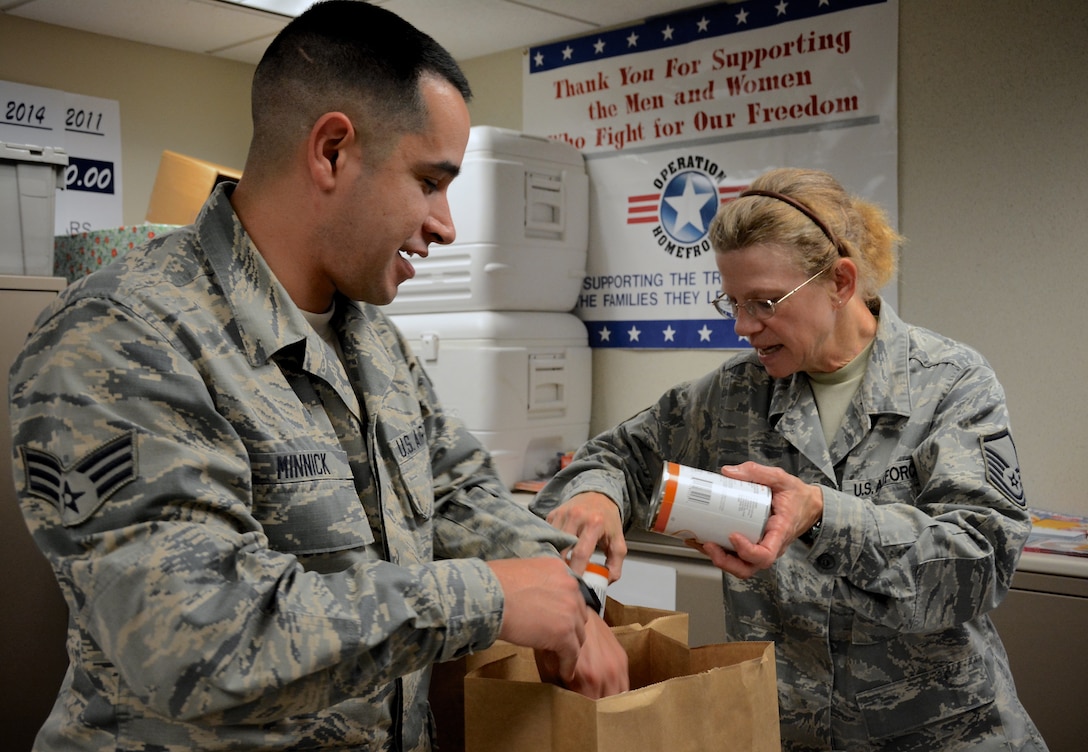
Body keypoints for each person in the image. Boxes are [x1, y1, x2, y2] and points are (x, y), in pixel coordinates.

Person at [8, 2, 628, 750]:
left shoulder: (375, 346)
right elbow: (193, 639)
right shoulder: (124, 335)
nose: (447, 224)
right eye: (430, 181)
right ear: (333, 151)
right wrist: (488, 598)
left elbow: (459, 496)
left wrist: (567, 585)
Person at [532, 167, 1048, 751]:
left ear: (841, 281)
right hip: (788, 733)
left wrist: (821, 514)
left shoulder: (951, 384)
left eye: (764, 302)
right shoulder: (731, 396)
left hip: (941, 733)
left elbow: (979, 564)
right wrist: (597, 493)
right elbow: (618, 454)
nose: (743, 326)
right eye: (731, 301)